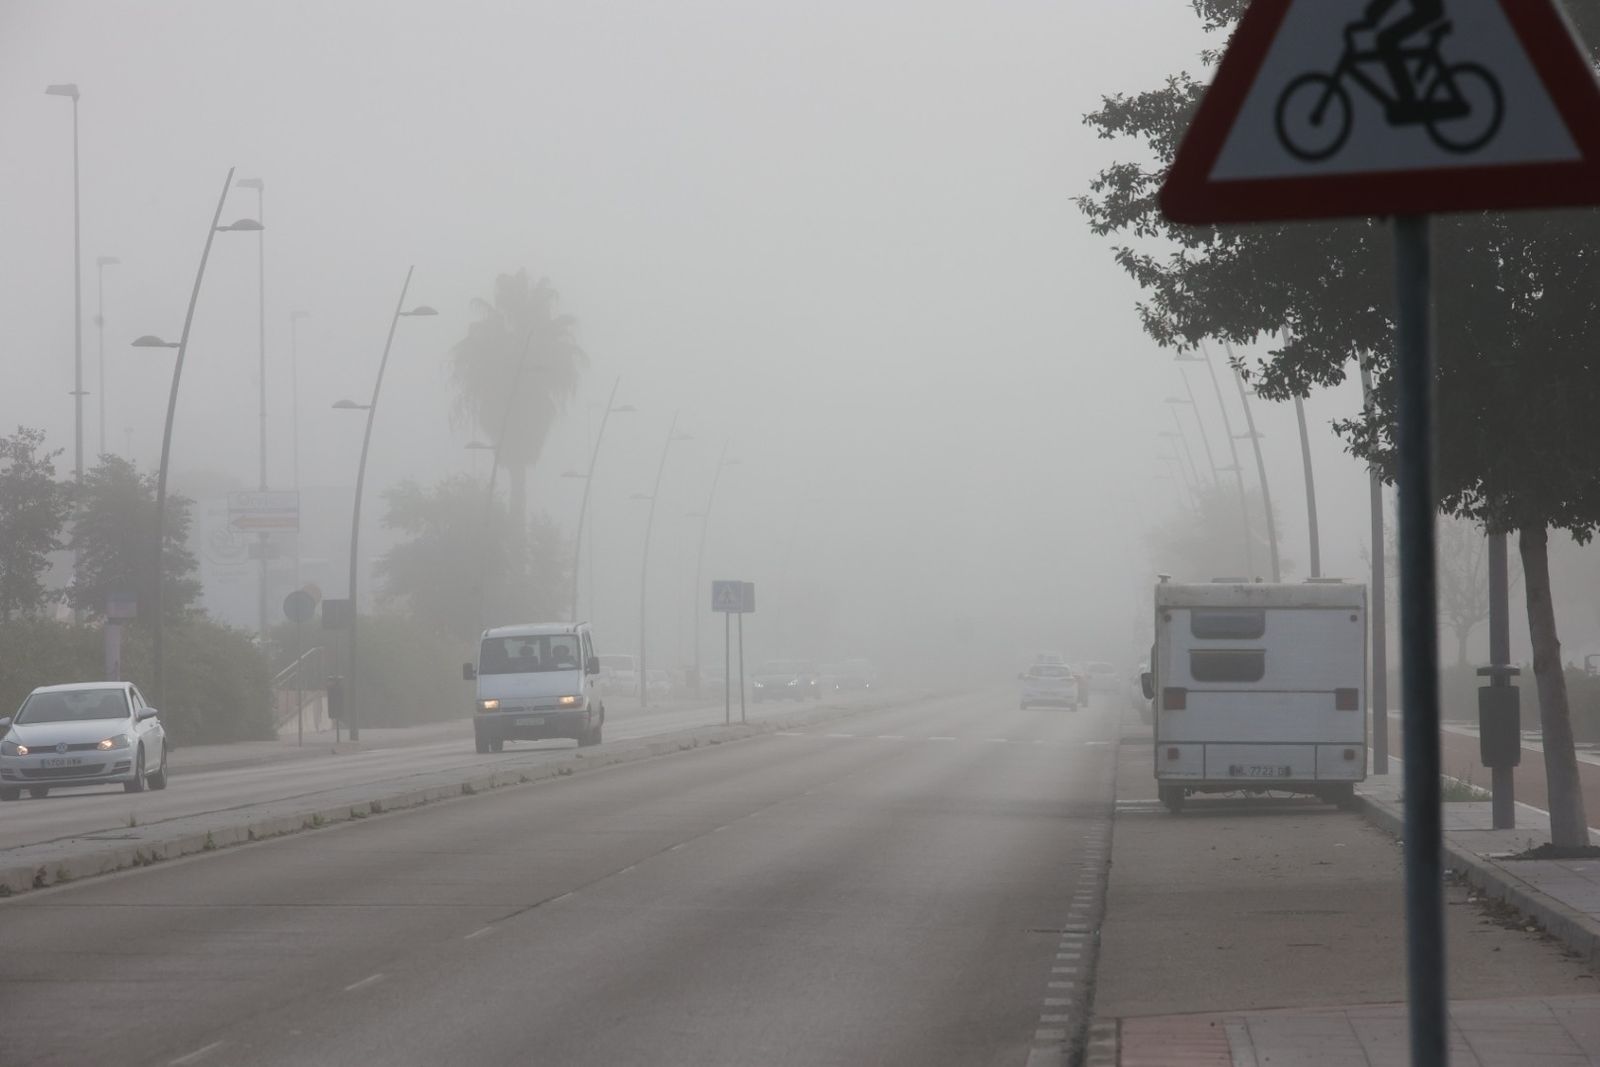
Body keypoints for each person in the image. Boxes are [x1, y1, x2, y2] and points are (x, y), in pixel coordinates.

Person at [1360, 0, 1447, 122]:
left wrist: (1374, 13)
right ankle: (1408, 98)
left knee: (1385, 41)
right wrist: (1373, 13)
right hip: (1428, 10)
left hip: (1428, 11)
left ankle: (1408, 100)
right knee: (1385, 41)